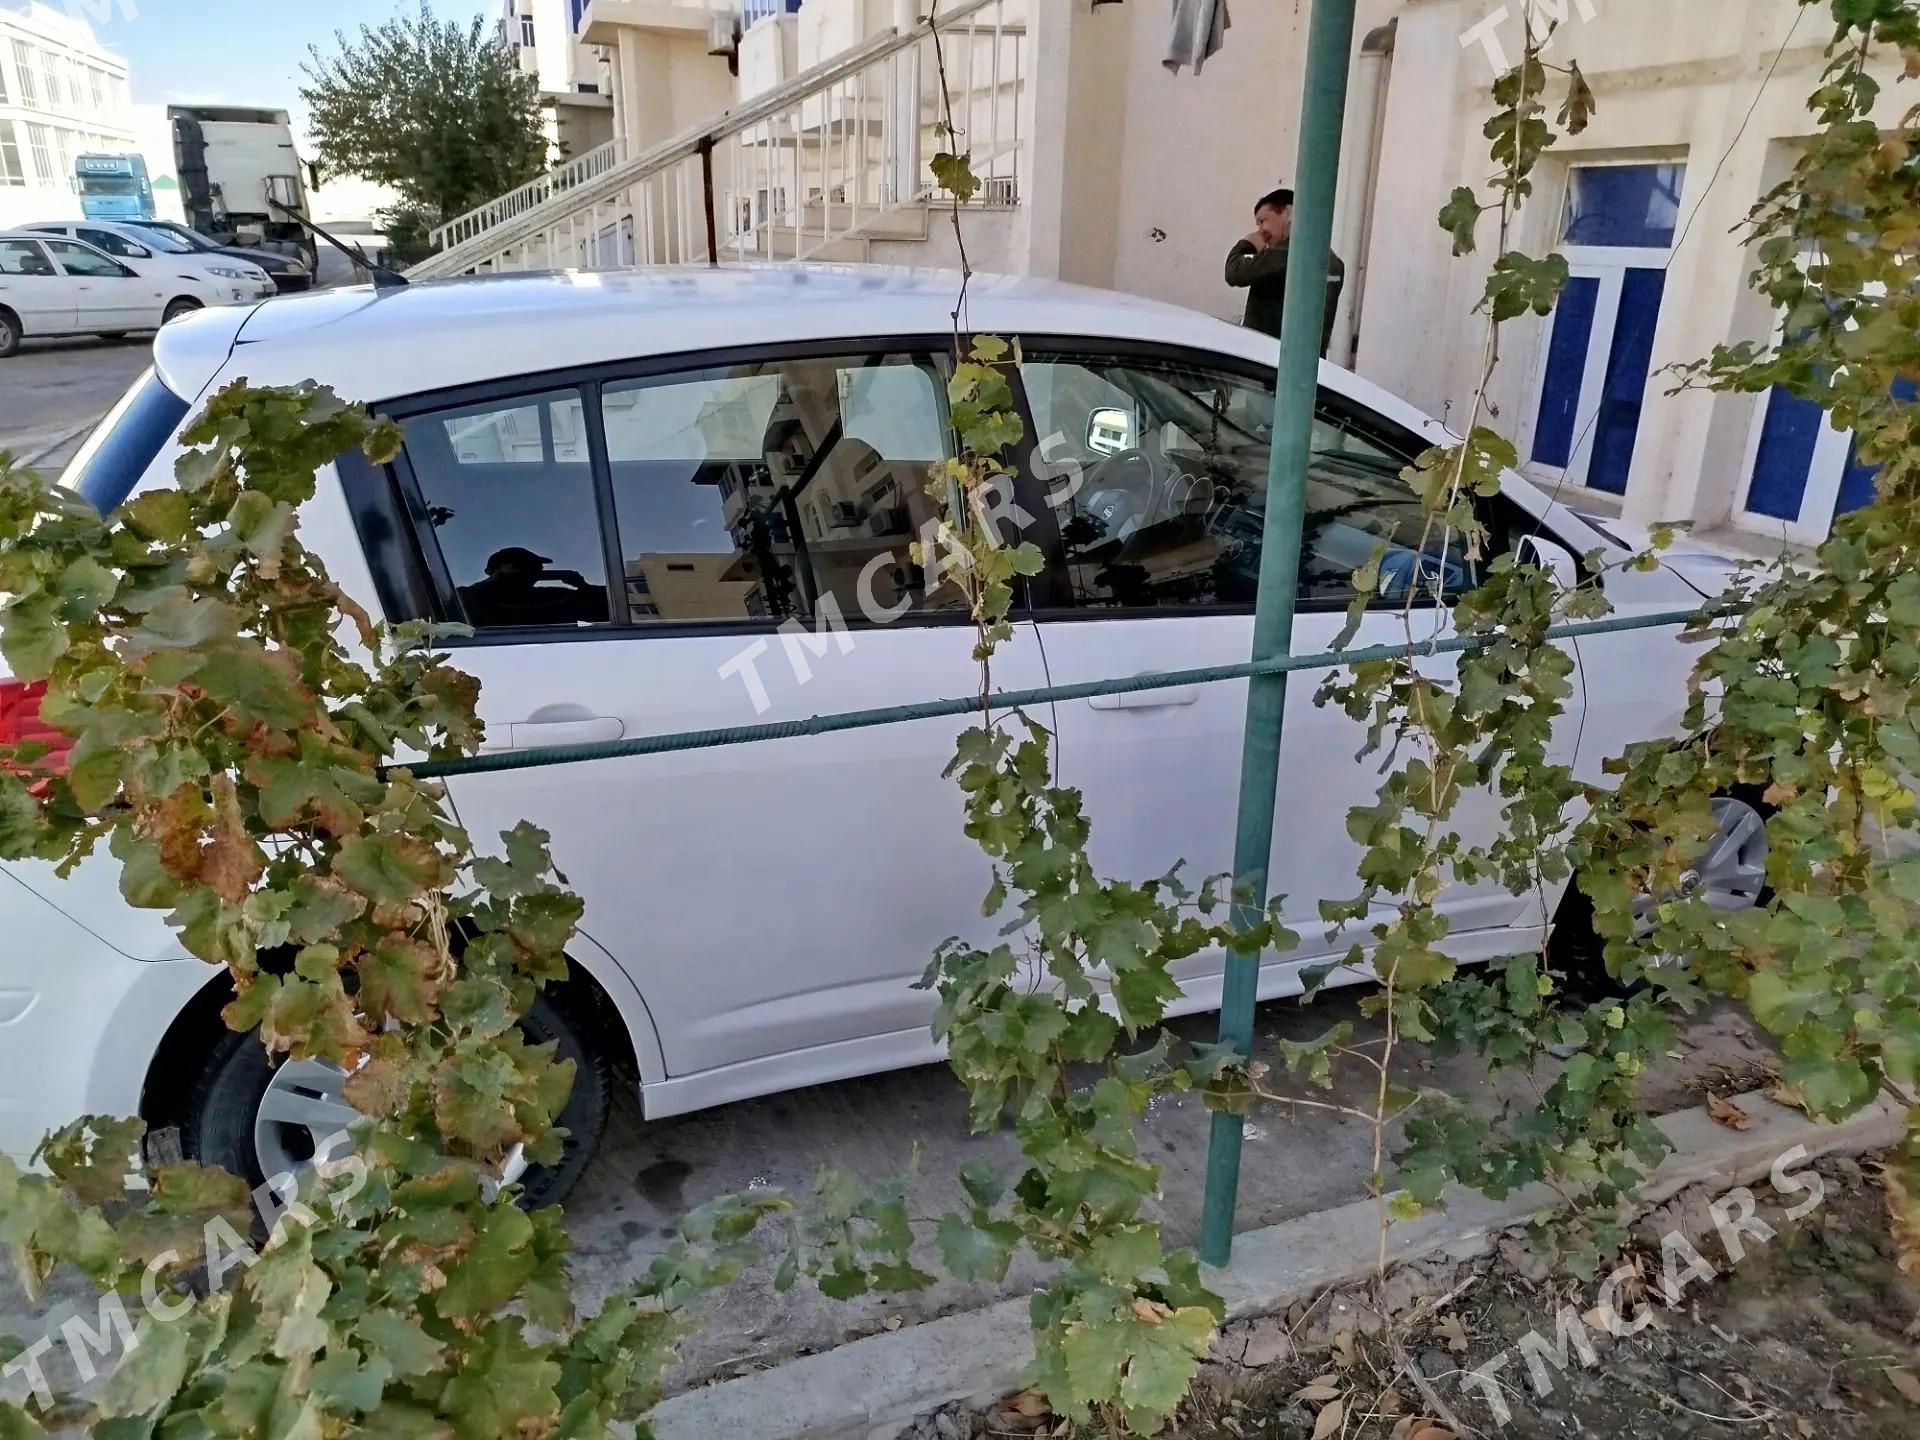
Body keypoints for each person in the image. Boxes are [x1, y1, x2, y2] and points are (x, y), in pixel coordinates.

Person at [1224, 187, 1346, 355]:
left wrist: (1248, 242)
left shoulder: (1286, 255)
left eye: (1263, 220)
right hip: (1310, 365)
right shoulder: (1334, 262)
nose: (1260, 230)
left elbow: (1234, 271)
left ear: (1288, 213)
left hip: (1268, 362)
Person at [457, 546, 609, 628]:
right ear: (490, 572)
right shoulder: (462, 599)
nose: (530, 572)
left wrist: (584, 587)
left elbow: (612, 602)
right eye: (519, 566)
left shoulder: (548, 597)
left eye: (536, 568)